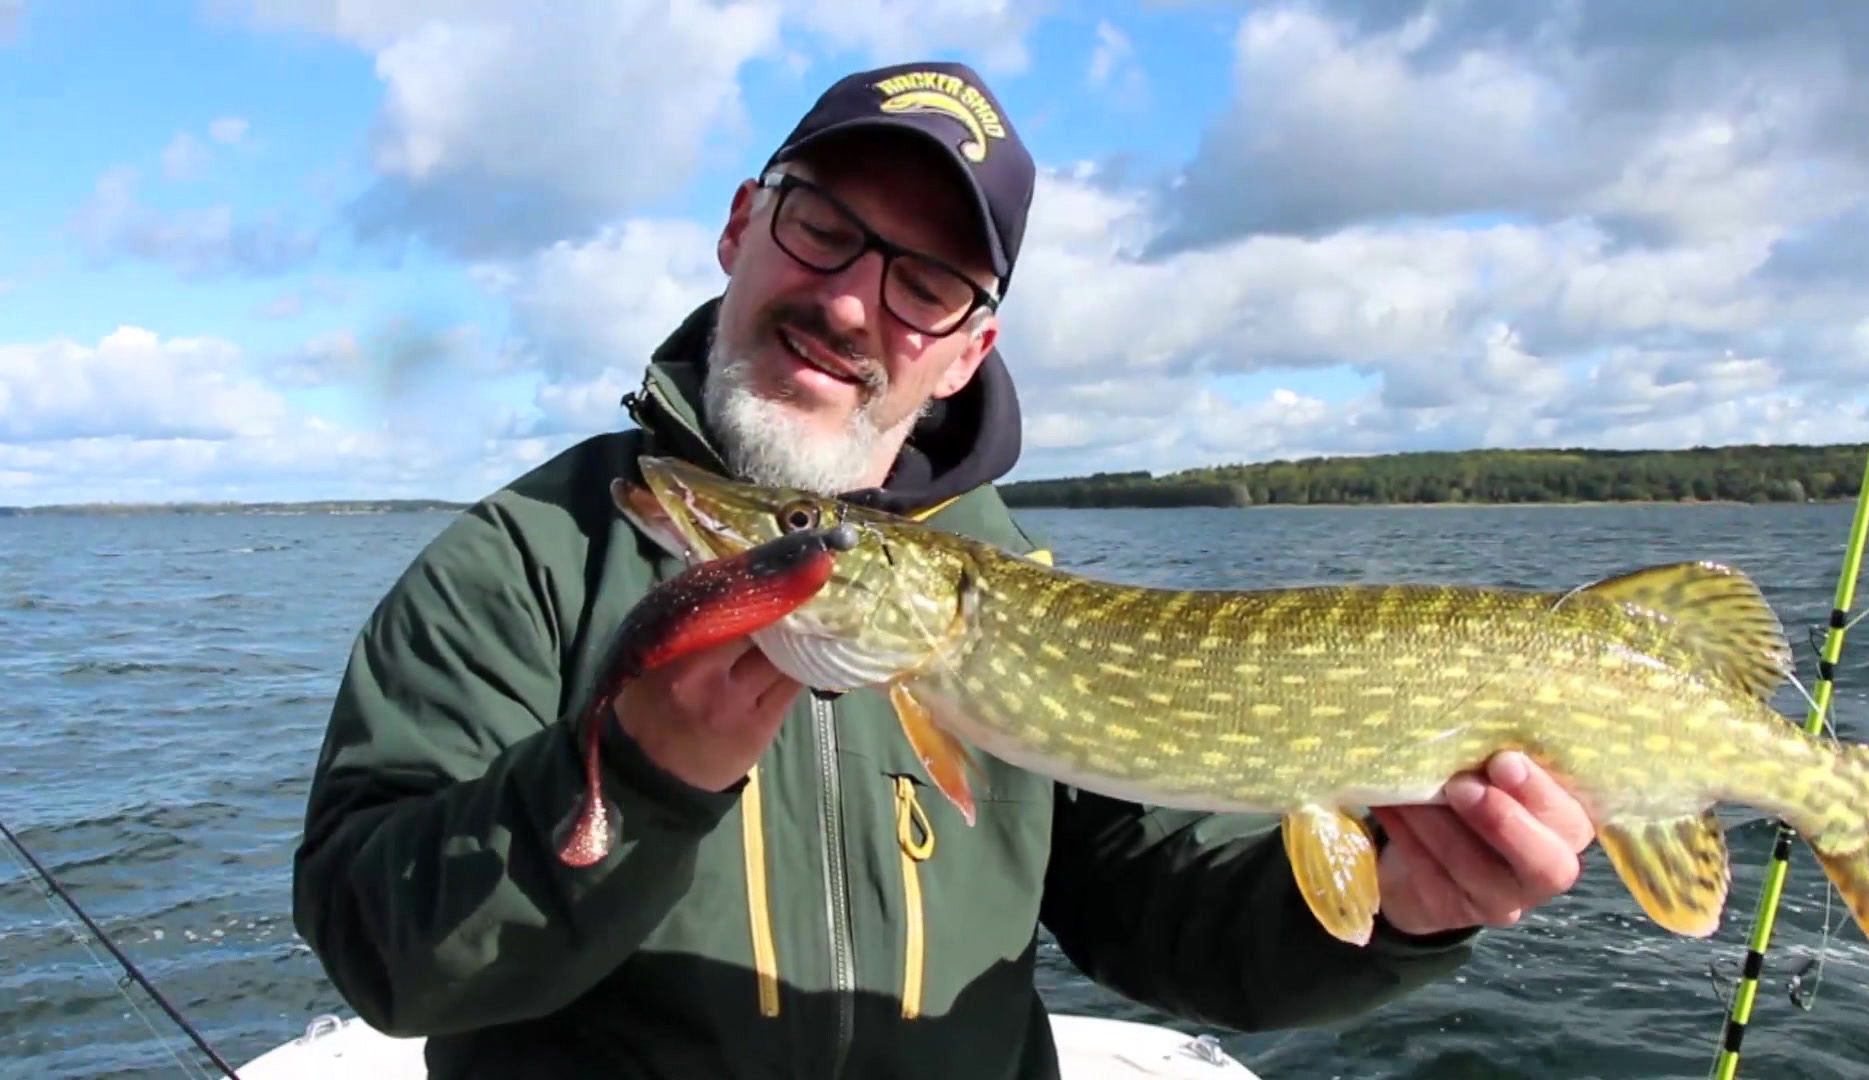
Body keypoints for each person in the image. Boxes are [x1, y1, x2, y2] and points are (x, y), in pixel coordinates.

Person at [291, 60, 1596, 1079]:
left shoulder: (1014, 581)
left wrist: (1407, 908)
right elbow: (378, 948)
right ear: (743, 227)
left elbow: (1165, 913)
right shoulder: (521, 564)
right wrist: (634, 776)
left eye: (923, 284)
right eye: (821, 231)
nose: (854, 304)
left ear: (968, 353)